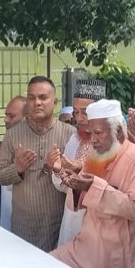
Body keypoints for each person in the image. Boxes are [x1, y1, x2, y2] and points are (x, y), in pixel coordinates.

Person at [52, 99, 135, 268]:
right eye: (90, 133)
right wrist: (75, 182)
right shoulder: (95, 155)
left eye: (98, 133)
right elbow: (81, 199)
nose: (93, 140)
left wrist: (92, 186)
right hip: (85, 251)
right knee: (48, 266)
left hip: (118, 263)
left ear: (118, 131)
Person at [0, 76, 75, 251]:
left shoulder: (70, 134)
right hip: (23, 225)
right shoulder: (13, 135)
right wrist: (17, 169)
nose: (37, 102)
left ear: (55, 102)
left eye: (43, 97)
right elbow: (0, 176)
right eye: (32, 98)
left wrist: (56, 168)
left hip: (57, 224)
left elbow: (76, 180)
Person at [50, 79, 106, 247]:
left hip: (99, 224)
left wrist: (81, 169)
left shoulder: (113, 143)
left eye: (85, 112)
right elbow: (65, 187)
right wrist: (58, 169)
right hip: (72, 220)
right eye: (76, 112)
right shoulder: (75, 138)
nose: (79, 119)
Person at [0, 95, 28, 231]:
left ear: (26, 118)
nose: (6, 120)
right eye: (6, 115)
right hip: (8, 219)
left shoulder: (37, 143)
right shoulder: (7, 142)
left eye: (11, 116)